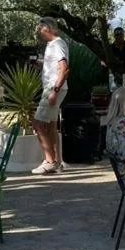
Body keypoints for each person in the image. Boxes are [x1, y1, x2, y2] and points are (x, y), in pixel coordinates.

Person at [31, 17, 69, 175]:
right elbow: (55, 66)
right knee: (52, 126)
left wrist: (55, 90)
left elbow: (64, 68)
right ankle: (58, 162)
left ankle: (49, 161)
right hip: (55, 86)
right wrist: (40, 65)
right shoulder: (52, 45)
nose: (39, 31)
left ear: (47, 28)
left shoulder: (57, 44)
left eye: (40, 28)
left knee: (38, 123)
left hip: (53, 87)